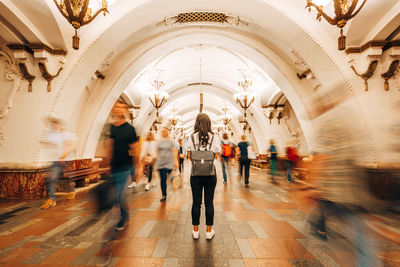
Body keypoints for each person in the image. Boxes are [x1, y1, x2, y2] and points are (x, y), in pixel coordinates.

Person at [186, 113, 221, 240]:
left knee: (196, 203)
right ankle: (208, 231)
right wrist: (207, 161)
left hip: (195, 174)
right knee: (209, 203)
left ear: (196, 123)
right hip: (211, 174)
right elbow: (217, 154)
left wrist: (198, 162)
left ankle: (195, 231)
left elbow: (189, 154)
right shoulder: (214, 137)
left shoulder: (191, 137)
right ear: (209, 123)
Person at [107, 102, 138, 230]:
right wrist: (107, 162)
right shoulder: (111, 128)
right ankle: (123, 212)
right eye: (115, 107)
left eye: (120, 107)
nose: (117, 109)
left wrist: (137, 168)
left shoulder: (130, 129)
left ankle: (123, 218)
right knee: (116, 194)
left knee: (120, 193)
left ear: (125, 110)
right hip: (114, 165)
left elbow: (135, 149)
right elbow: (110, 145)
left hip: (125, 166)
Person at [40, 117, 75, 209]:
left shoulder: (65, 134)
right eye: (51, 125)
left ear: (58, 125)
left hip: (62, 159)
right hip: (54, 160)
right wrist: (45, 143)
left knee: (55, 178)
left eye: (54, 124)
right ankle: (53, 198)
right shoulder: (51, 134)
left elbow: (71, 146)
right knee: (53, 179)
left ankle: (53, 199)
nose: (52, 126)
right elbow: (54, 145)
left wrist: (64, 155)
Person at [155, 127, 178, 202]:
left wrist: (175, 161)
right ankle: (164, 195)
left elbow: (174, 152)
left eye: (165, 131)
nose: (163, 133)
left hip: (169, 163)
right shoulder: (159, 142)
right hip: (161, 163)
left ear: (168, 132)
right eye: (162, 131)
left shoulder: (171, 142)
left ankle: (172, 184)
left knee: (169, 177)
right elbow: (157, 152)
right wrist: (156, 163)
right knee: (163, 180)